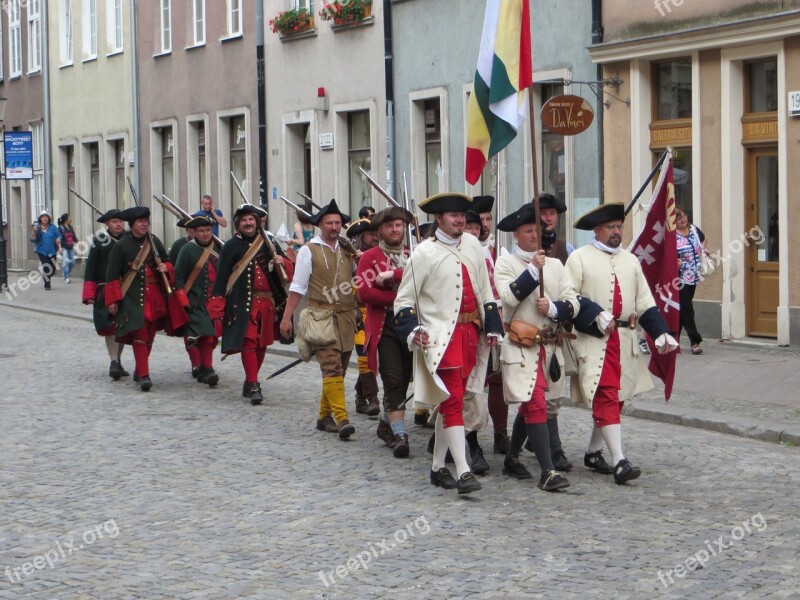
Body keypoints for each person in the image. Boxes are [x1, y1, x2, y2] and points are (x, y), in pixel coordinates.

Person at [393, 193, 504, 495]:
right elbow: (403, 301)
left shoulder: (472, 246)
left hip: (471, 336)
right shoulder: (424, 254)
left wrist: (492, 325)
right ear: (439, 219)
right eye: (452, 215)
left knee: (452, 401)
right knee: (454, 400)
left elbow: (485, 288)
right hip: (442, 339)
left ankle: (437, 467)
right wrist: (413, 328)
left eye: (462, 215)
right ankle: (464, 470)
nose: (459, 220)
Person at [566, 202, 678, 484]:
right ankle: (620, 462)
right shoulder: (579, 258)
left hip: (624, 339)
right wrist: (594, 314)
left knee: (617, 399)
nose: (617, 232)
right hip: (594, 340)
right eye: (610, 227)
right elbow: (567, 295)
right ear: (597, 230)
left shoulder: (630, 260)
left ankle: (593, 453)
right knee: (604, 395)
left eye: (619, 227)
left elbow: (644, 301)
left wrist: (661, 332)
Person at [494, 203, 577, 491]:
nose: (534, 235)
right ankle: (548, 471)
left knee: (533, 405)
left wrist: (553, 308)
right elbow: (508, 298)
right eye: (528, 231)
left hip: (549, 347)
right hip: (520, 345)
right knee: (536, 403)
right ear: (516, 235)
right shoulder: (505, 264)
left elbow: (572, 301)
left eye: (537, 230)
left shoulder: (555, 265)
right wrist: (532, 271)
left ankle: (512, 457)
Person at [279, 200, 359, 440]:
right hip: (320, 317)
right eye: (329, 223)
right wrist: (287, 318)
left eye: (337, 222)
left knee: (340, 370)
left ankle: (324, 417)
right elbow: (298, 287)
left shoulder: (347, 249)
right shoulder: (308, 250)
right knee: (331, 366)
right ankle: (342, 419)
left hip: (345, 318)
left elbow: (356, 279)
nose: (334, 226)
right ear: (320, 225)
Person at [209, 205, 293, 404]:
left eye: (251, 219)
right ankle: (254, 383)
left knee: (262, 343)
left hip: (268, 301)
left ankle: (249, 380)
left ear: (257, 222)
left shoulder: (269, 242)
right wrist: (217, 309)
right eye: (244, 220)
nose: (248, 223)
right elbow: (221, 279)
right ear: (238, 224)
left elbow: (288, 272)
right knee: (248, 342)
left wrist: (282, 262)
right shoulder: (230, 246)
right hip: (241, 303)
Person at [356, 206, 414, 457]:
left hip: (410, 326)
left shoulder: (413, 256)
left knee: (404, 378)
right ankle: (400, 433)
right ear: (380, 230)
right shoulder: (369, 257)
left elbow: (421, 278)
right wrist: (397, 297)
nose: (395, 229)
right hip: (385, 326)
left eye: (399, 225)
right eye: (390, 226)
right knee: (392, 377)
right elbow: (363, 291)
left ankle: (384, 423)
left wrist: (395, 274)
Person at [105, 206, 174, 392]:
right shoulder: (121, 246)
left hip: (155, 295)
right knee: (140, 334)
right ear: (132, 224)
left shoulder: (154, 241)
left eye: (146, 221)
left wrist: (166, 267)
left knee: (150, 335)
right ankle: (144, 375)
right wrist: (111, 300)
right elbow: (112, 275)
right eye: (140, 221)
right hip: (132, 296)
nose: (144, 224)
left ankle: (139, 368)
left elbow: (167, 260)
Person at [173, 216, 224, 387]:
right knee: (205, 335)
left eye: (208, 230)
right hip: (195, 300)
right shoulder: (187, 250)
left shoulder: (218, 247)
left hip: (214, 300)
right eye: (201, 231)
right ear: (195, 232)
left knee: (211, 336)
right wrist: (182, 298)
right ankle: (208, 369)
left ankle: (202, 368)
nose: (205, 234)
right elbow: (178, 276)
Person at [81, 208, 130, 380]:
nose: (118, 224)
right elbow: (91, 267)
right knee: (110, 327)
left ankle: (118, 360)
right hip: (105, 288)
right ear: (107, 224)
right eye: (114, 222)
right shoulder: (99, 241)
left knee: (122, 327)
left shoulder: (129, 239)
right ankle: (113, 361)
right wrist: (89, 291)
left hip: (126, 288)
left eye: (120, 221)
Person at [347, 217, 381, 417]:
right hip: (359, 316)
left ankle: (360, 396)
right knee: (364, 358)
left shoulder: (381, 255)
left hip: (379, 313)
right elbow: (354, 292)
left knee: (375, 361)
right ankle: (373, 398)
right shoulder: (350, 260)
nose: (375, 237)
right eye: (371, 234)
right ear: (361, 237)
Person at [170, 218, 202, 377]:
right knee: (190, 332)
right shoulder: (179, 245)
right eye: (192, 229)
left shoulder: (212, 244)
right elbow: (173, 270)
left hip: (206, 294)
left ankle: (205, 362)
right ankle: (196, 363)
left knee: (208, 333)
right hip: (186, 292)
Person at [675, 206, 705, 355]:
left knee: (682, 310)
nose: (682, 219)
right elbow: (667, 255)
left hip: (694, 276)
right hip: (679, 279)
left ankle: (674, 340)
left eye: (684, 216)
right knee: (687, 309)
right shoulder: (672, 236)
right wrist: (675, 261)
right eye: (679, 218)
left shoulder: (693, 230)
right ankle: (695, 341)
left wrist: (702, 251)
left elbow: (703, 239)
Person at [30, 211, 62, 290]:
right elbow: (32, 239)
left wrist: (58, 240)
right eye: (43, 217)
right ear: (40, 218)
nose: (45, 218)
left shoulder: (52, 226)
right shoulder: (37, 227)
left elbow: (59, 236)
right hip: (42, 251)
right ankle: (47, 285)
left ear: (49, 218)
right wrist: (34, 231)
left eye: (46, 217)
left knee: (53, 268)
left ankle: (46, 276)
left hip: (52, 250)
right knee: (46, 266)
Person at [58, 213, 77, 284]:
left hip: (70, 248)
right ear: (66, 220)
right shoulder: (60, 228)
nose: (70, 219)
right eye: (69, 217)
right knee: (66, 263)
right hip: (63, 248)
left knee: (72, 262)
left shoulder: (70, 227)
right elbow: (58, 238)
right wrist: (59, 247)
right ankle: (67, 277)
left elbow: (74, 237)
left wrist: (79, 243)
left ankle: (66, 273)